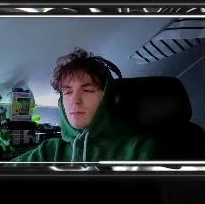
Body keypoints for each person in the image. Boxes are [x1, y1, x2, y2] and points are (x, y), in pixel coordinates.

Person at [9, 48, 159, 164]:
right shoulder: (49, 151)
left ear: (108, 97)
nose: (75, 101)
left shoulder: (139, 151)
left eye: (87, 90)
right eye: (68, 92)